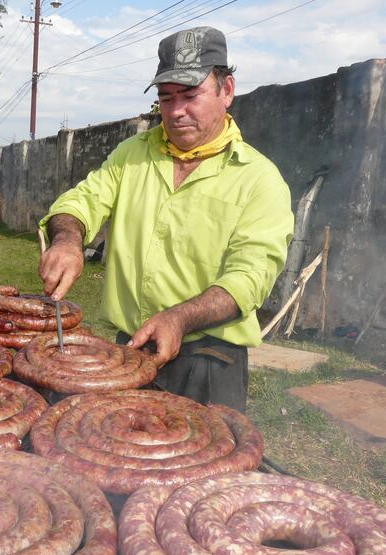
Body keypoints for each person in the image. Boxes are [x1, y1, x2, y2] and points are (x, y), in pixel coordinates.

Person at [38, 27, 294, 413]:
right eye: (166, 97)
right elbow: (80, 202)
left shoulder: (259, 179)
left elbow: (249, 279)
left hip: (208, 361)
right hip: (130, 352)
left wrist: (180, 317)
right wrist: (67, 241)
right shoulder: (132, 154)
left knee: (204, 472)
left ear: (227, 90)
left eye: (191, 95)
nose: (175, 111)